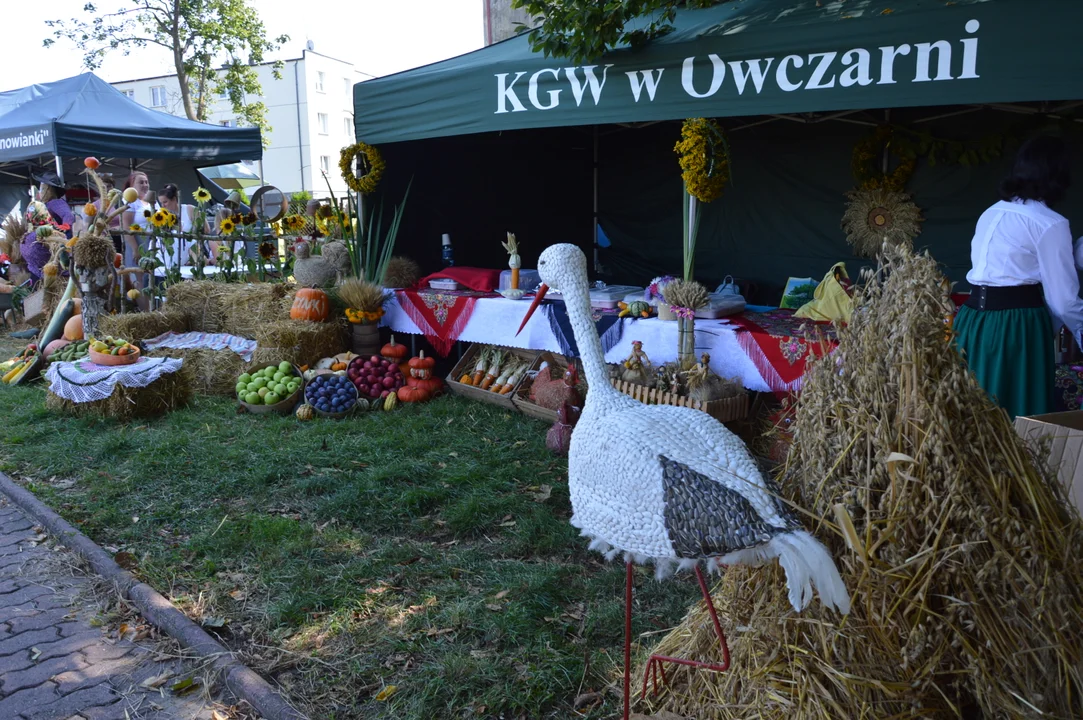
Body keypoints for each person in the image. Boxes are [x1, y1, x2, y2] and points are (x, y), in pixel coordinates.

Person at [954, 135, 1083, 419]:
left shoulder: (991, 212)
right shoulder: (1050, 223)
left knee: (970, 416)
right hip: (1015, 326)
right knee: (1013, 416)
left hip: (970, 322)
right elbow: (1063, 301)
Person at [20, 171, 74, 280]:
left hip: (53, 251)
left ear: (48, 189)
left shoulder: (55, 202)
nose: (40, 192)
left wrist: (65, 226)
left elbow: (68, 215)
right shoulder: (44, 205)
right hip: (40, 263)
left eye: (42, 188)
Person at [120, 171, 154, 267]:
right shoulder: (130, 201)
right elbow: (126, 226)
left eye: (146, 182)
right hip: (138, 242)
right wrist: (135, 249)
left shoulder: (151, 201)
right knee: (139, 273)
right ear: (132, 185)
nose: (145, 185)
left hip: (152, 243)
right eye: (141, 182)